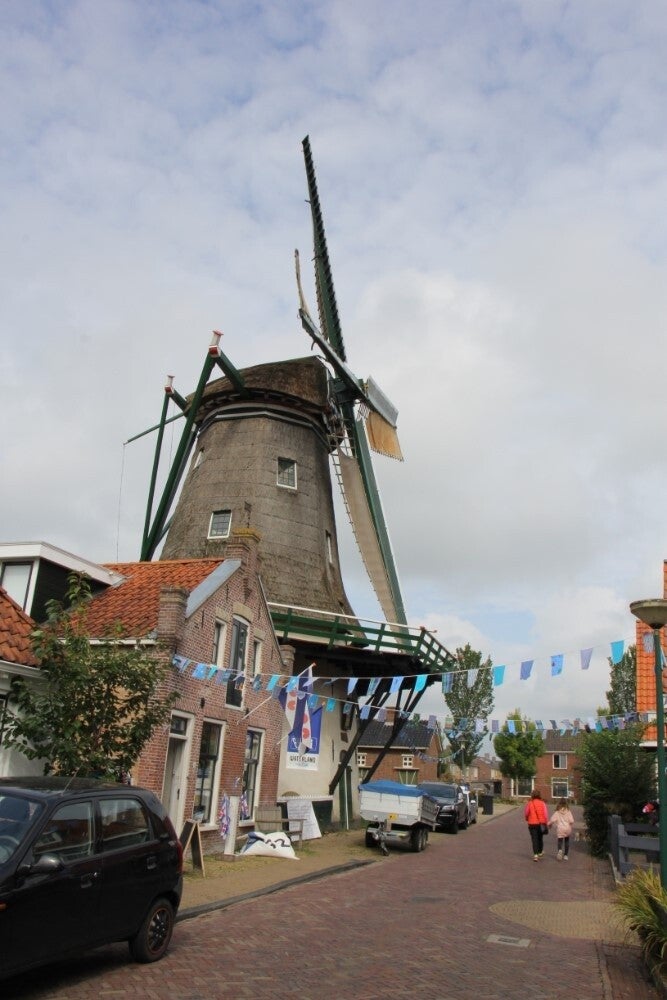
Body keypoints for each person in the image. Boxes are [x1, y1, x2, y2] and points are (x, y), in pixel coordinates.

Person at [524, 789, 549, 861]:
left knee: (534, 839)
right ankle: (540, 852)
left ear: (532, 795)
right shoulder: (542, 803)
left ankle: (535, 855)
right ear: (539, 795)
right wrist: (546, 822)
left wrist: (527, 819)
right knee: (540, 838)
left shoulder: (530, 803)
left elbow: (526, 813)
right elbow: (545, 814)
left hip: (532, 823)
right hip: (541, 823)